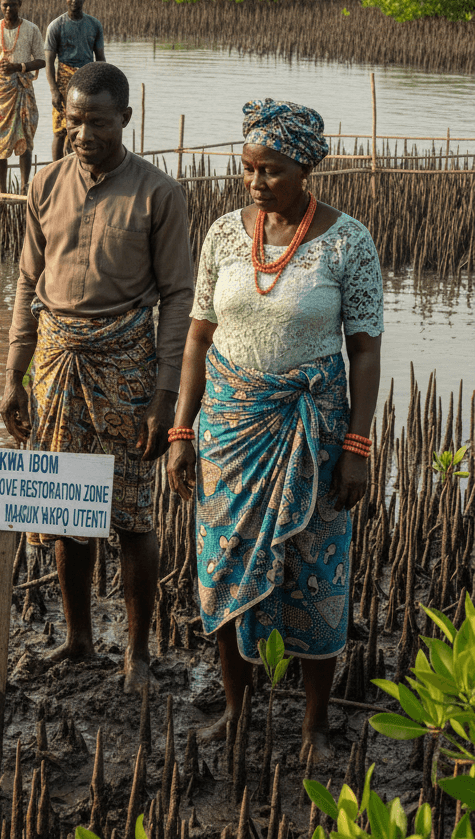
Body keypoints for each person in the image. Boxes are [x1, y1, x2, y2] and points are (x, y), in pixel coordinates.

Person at [166, 99, 383, 759]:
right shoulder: (223, 235)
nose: (257, 183)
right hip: (228, 435)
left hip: (313, 438)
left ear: (305, 168)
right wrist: (181, 433)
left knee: (316, 577)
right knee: (225, 568)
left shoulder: (349, 243)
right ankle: (237, 712)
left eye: (273, 170)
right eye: (249, 169)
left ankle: (315, 725)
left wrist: (357, 446)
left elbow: (365, 351)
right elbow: (197, 339)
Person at [0, 62, 194, 691]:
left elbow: (178, 298)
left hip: (129, 365)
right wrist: (13, 375)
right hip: (55, 360)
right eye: (74, 120)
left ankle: (137, 653)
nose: (83, 133)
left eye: (98, 122)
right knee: (64, 507)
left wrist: (165, 399)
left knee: (133, 515)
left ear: (126, 121)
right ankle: (79, 639)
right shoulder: (44, 184)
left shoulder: (158, 193)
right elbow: (28, 282)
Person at [0, 0, 46, 194]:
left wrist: (19, 67)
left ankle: (25, 187)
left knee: (25, 135)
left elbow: (41, 61)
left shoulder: (31, 29)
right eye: (5, 5)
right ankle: (3, 189)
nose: (9, 9)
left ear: (20, 5)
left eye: (13, 5)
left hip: (23, 89)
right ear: (0, 5)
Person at [44, 0, 105, 162]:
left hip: (88, 80)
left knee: (84, 125)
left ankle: (80, 165)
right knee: (60, 129)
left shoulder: (94, 25)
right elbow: (49, 62)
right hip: (64, 82)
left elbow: (100, 58)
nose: (74, 0)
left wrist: (103, 86)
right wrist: (54, 91)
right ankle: (57, 169)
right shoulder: (56, 26)